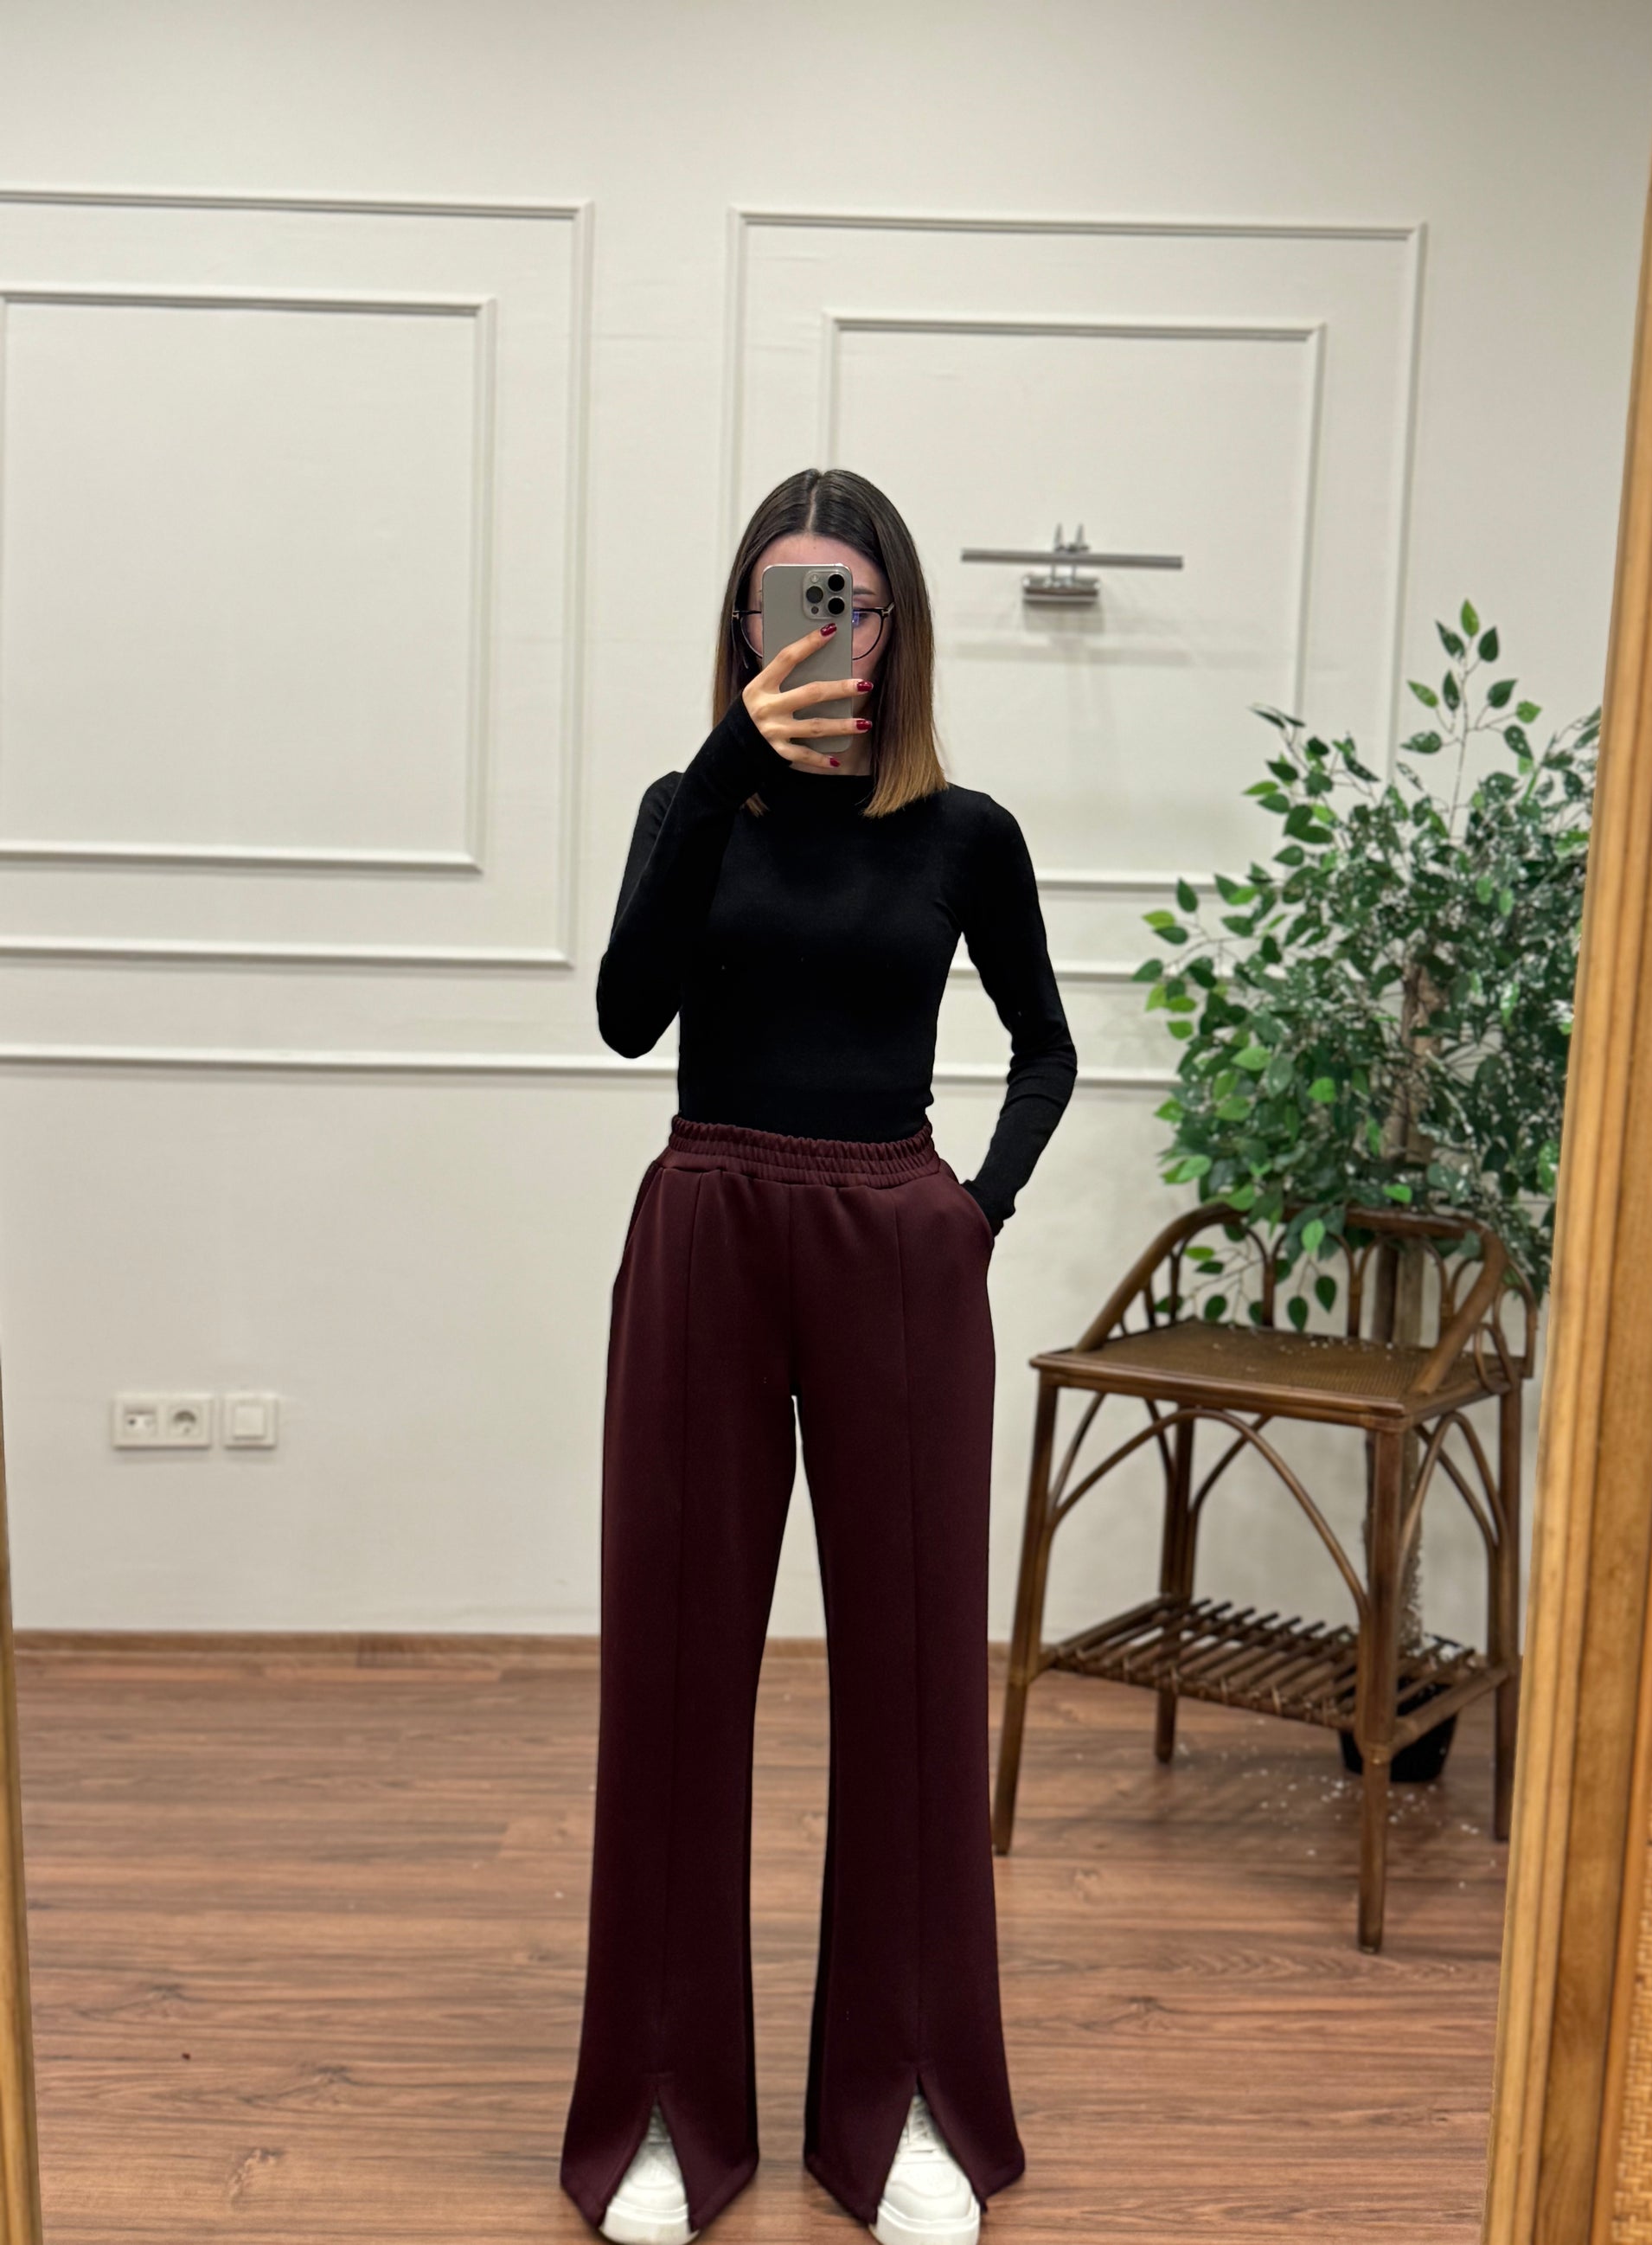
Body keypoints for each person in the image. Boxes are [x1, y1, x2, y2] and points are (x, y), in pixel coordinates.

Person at [560, 467, 1077, 2245]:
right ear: (742, 626)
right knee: (675, 1674)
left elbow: (1044, 1047)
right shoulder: (686, 803)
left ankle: (906, 2102)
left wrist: (970, 1215)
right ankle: (659, 2106)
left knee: (918, 1678)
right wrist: (723, 767)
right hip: (707, 1218)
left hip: (893, 1242)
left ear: (894, 627)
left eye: (845, 602)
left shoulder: (964, 833)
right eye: (783, 601)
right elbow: (625, 1016)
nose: (816, 632)